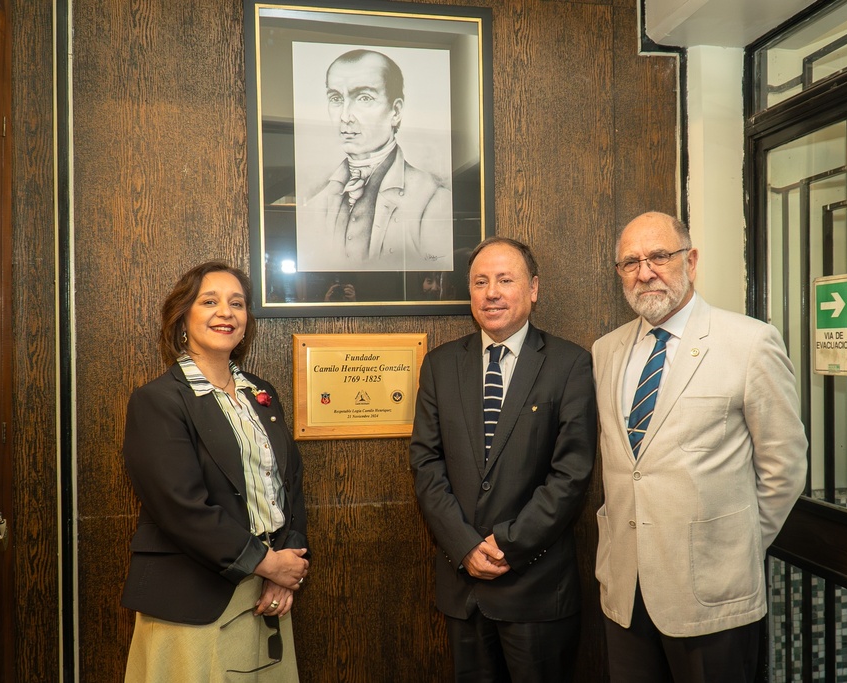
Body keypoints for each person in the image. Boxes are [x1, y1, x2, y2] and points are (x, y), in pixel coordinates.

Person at [592, 212, 808, 683]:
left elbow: (784, 466)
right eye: (631, 262)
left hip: (713, 592)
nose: (645, 271)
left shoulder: (749, 343)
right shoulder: (605, 351)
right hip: (626, 590)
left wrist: (736, 545)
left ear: (690, 260)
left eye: (659, 256)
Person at [410, 236, 597, 682]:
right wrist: (465, 546)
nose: (491, 292)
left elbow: (571, 472)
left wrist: (508, 545)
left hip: (537, 588)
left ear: (533, 288)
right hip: (464, 587)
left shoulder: (570, 364)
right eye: (480, 281)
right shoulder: (439, 365)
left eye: (505, 280)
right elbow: (426, 463)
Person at [121, 261, 310, 681]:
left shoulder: (260, 394)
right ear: (182, 319)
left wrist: (286, 568)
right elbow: (181, 507)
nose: (226, 312)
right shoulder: (158, 401)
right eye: (210, 301)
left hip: (266, 596)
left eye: (237, 303)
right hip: (193, 600)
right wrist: (267, 563)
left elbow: (290, 485)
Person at [297, 48, 453, 273]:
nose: (345, 116)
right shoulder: (314, 203)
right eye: (336, 99)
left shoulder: (432, 200)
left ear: (396, 111)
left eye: (364, 98)